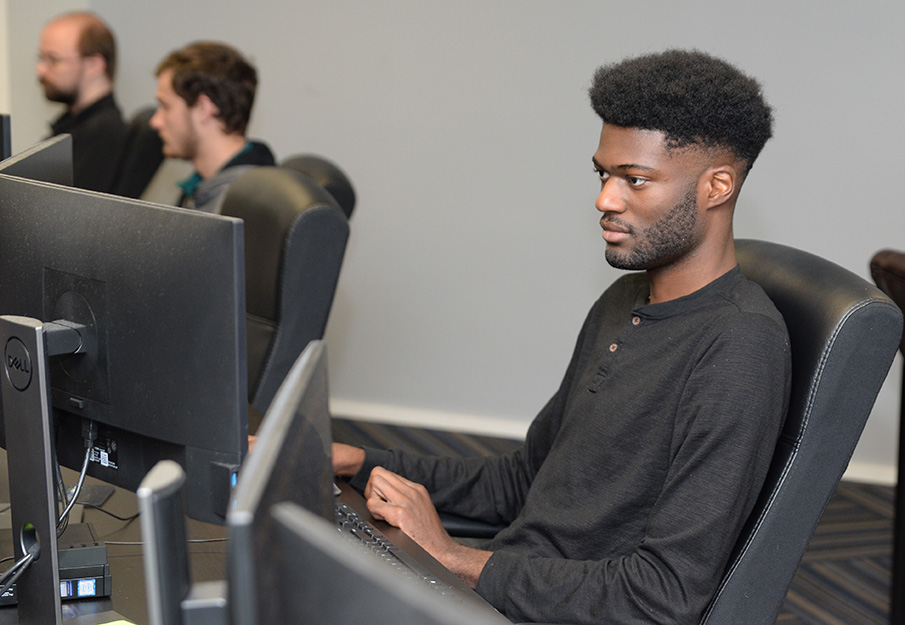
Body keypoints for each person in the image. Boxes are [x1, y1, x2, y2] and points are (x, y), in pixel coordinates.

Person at [332, 49, 792, 624]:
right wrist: (360, 462)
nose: (605, 199)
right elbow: (526, 481)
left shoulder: (740, 348)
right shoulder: (626, 300)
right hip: (501, 590)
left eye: (636, 180)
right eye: (604, 173)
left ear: (717, 185)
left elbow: (663, 595)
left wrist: (454, 560)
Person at [150, 42, 275, 214]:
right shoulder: (203, 189)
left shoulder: (241, 210)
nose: (155, 122)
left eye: (166, 106)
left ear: (203, 109)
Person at [37, 11, 128, 193]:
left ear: (94, 64)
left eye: (53, 59)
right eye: (41, 58)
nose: (40, 70)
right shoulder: (74, 125)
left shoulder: (102, 134)